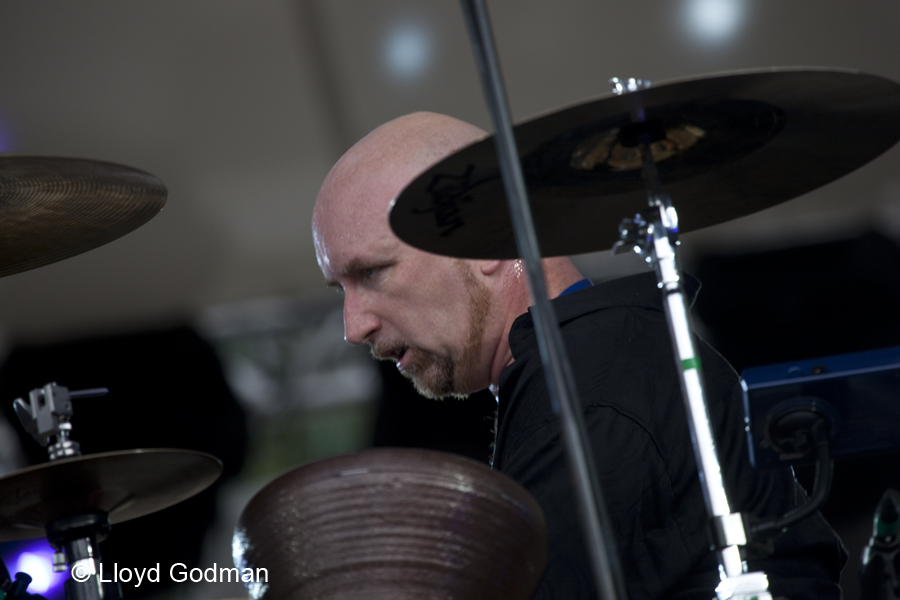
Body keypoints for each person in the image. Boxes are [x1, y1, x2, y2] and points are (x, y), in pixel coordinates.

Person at [312, 111, 846, 599]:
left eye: (372, 272)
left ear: (488, 239)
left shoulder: (593, 392)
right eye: (341, 289)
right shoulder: (592, 368)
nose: (353, 327)